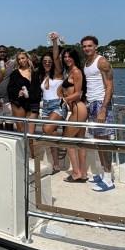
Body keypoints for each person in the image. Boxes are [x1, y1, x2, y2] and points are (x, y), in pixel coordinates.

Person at [81, 35, 116, 192]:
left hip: (101, 104)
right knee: (97, 140)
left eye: (90, 45)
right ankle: (102, 173)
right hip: (91, 104)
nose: (87, 48)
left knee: (104, 141)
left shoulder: (102, 61)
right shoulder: (86, 63)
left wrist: (103, 109)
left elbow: (109, 86)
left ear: (96, 46)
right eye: (85, 46)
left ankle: (108, 179)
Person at [59, 47, 90, 183]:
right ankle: (83, 173)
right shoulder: (71, 71)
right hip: (78, 108)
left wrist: (65, 99)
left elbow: (78, 93)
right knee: (80, 141)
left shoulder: (76, 72)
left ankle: (76, 173)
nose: (66, 59)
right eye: (64, 57)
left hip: (78, 108)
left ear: (74, 57)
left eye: (69, 56)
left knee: (67, 139)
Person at [37, 33, 65, 174]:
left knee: (48, 129)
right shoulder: (43, 75)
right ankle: (56, 165)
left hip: (57, 105)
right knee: (48, 132)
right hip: (46, 106)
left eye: (49, 62)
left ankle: (60, 148)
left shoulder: (58, 73)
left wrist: (55, 42)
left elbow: (56, 56)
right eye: (44, 62)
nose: (47, 63)